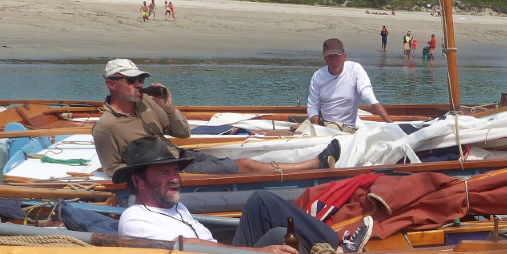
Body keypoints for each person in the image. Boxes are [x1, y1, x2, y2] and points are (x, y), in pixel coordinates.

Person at [115, 136, 373, 254]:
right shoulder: (134, 219)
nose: (174, 178)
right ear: (138, 181)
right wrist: (255, 253)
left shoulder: (173, 206)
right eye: (163, 173)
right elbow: (185, 247)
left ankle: (337, 245)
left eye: (175, 170)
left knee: (261, 202)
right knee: (276, 238)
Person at [92, 58, 340, 178]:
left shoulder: (146, 103)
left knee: (238, 160)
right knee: (245, 165)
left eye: (141, 79)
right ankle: (312, 166)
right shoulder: (106, 127)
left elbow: (182, 133)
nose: (139, 84)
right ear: (111, 84)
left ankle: (308, 166)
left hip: (178, 156)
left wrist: (169, 108)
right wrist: (160, 176)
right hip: (168, 171)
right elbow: (115, 171)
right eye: (132, 80)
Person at [307, 39, 394, 131]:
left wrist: (391, 124)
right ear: (325, 59)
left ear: (344, 57)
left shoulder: (355, 70)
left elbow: (369, 98)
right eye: (329, 57)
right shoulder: (318, 76)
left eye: (336, 56)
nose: (333, 61)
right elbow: (312, 106)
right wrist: (316, 123)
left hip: (345, 127)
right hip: (322, 123)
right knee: (298, 133)